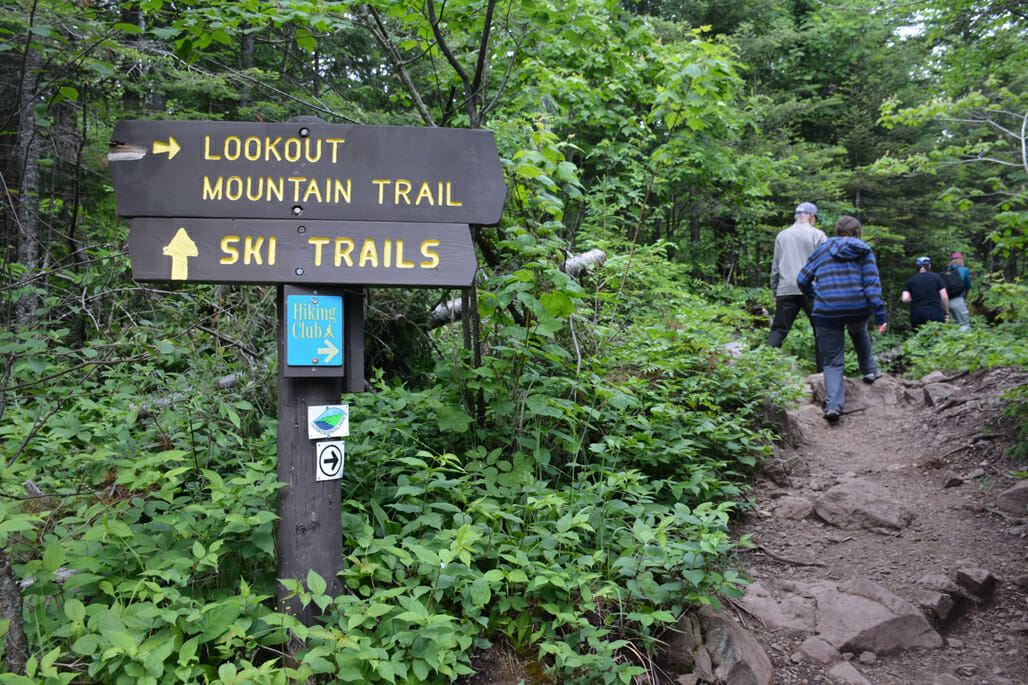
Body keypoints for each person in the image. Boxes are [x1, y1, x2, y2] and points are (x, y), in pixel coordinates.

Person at [797, 216, 888, 423]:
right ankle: (870, 371)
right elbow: (872, 284)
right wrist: (880, 313)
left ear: (837, 233)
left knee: (832, 361)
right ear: (858, 234)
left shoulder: (822, 249)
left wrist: (815, 293)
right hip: (857, 307)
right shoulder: (864, 251)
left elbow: (802, 280)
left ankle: (834, 406)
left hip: (827, 310)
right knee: (858, 329)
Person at [767, 201, 827, 370]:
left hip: (786, 288)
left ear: (796, 217)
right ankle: (823, 375)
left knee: (778, 330)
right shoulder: (819, 236)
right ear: (811, 217)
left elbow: (775, 267)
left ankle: (763, 369)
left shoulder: (782, 236)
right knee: (821, 331)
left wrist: (775, 291)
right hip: (813, 290)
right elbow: (824, 266)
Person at [901, 256, 949, 329]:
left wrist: (915, 297)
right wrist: (946, 313)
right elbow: (944, 297)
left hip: (917, 314)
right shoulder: (937, 278)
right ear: (929, 266)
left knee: (919, 336)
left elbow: (905, 299)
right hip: (935, 313)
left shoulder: (911, 280)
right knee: (936, 337)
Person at [944, 252, 973, 328]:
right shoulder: (964, 270)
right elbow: (969, 285)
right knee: (964, 325)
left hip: (946, 302)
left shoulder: (947, 271)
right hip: (958, 299)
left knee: (952, 326)